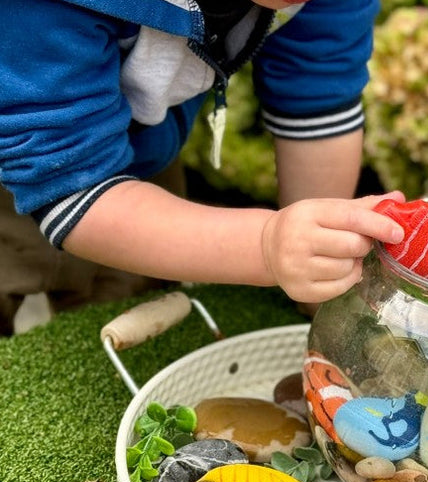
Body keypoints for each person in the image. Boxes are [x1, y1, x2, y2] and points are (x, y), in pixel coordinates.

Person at [0, 0, 405, 335]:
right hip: (26, 130)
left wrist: (322, 271)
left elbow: (318, 95)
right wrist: (265, 246)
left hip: (130, 147)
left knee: (127, 301)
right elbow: (68, 185)